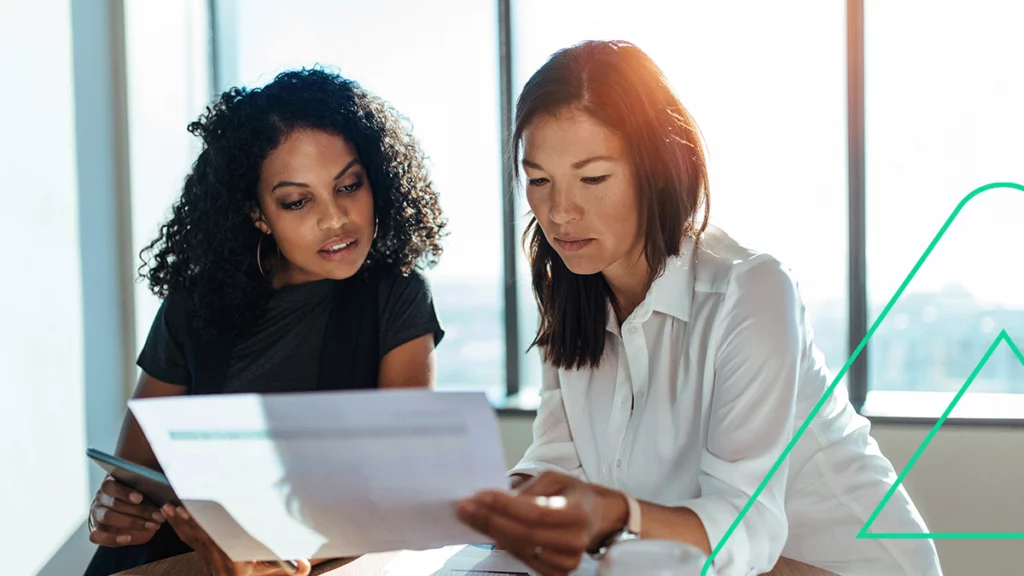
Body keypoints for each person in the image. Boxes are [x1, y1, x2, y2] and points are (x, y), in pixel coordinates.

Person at [456, 40, 943, 576]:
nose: (560, 211)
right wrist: (501, 504)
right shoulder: (574, 291)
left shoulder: (751, 288)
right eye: (539, 181)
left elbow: (746, 530)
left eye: (593, 178)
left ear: (657, 170)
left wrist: (617, 514)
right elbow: (556, 459)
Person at [84, 68, 447, 576]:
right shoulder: (194, 305)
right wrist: (113, 508)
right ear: (258, 214)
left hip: (304, 562)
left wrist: (271, 556)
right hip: (169, 561)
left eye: (349, 185)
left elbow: (395, 488)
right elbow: (135, 475)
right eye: (297, 201)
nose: (335, 218)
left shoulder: (397, 297)